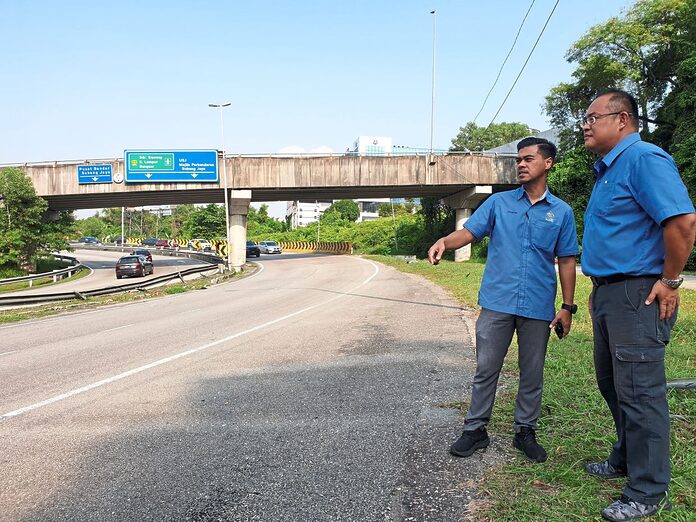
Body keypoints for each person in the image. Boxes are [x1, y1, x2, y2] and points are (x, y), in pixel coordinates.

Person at [580, 89, 696, 521]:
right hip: (611, 292)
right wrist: (599, 287)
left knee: (640, 391)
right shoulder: (609, 170)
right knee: (613, 383)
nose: (586, 125)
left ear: (623, 119)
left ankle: (647, 492)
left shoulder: (643, 159)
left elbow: (682, 221)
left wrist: (668, 280)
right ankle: (625, 458)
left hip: (639, 293)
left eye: (593, 117)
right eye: (584, 119)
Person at [428, 137, 578, 463]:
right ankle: (475, 430)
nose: (521, 165)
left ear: (547, 163)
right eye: (518, 160)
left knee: (532, 371)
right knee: (486, 369)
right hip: (497, 301)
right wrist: (445, 241)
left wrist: (567, 307)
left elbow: (566, 260)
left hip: (538, 305)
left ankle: (525, 431)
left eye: (528, 159)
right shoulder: (499, 204)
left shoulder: (561, 212)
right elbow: (468, 232)